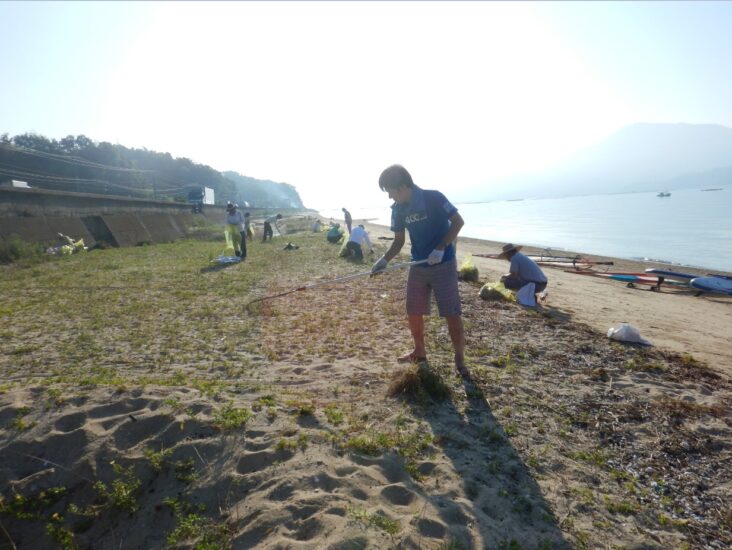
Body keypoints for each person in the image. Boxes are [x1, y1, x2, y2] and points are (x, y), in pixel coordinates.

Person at [371, 164, 468, 377]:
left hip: (444, 263)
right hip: (418, 265)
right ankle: (419, 351)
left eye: (389, 191)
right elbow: (398, 241)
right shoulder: (398, 209)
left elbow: (458, 222)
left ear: (403, 187)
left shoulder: (434, 198)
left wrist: (441, 248)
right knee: (413, 311)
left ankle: (459, 359)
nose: (389, 197)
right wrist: (383, 260)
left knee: (451, 313)